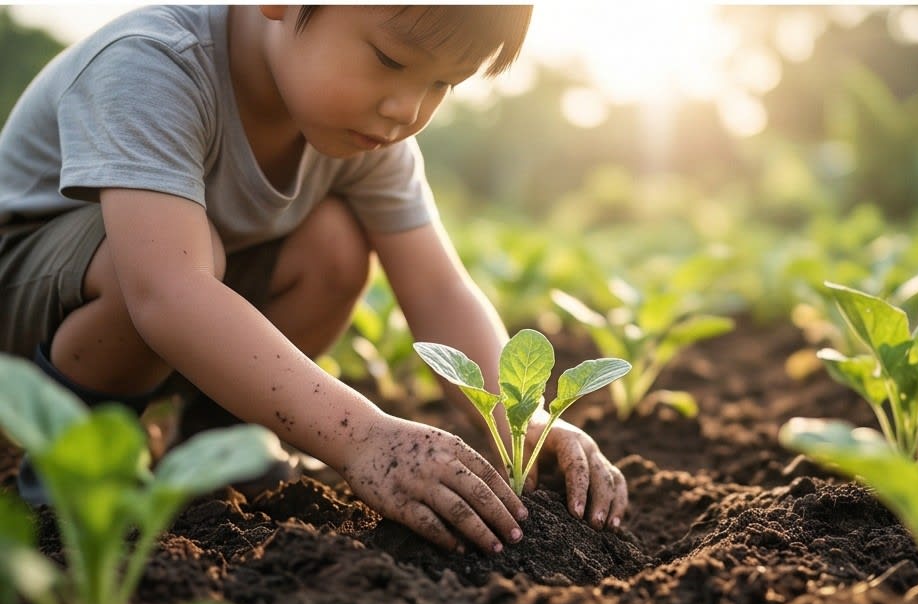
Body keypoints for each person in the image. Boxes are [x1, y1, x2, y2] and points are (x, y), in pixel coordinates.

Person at [0, 5, 628, 555]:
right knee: (163, 262)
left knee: (337, 245)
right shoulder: (152, 64)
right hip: (29, 310)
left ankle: (226, 441)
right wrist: (363, 437)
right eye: (389, 59)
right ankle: (75, 456)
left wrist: (524, 422)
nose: (406, 109)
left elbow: (437, 288)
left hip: (174, 304)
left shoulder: (368, 133)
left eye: (442, 83)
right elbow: (166, 294)